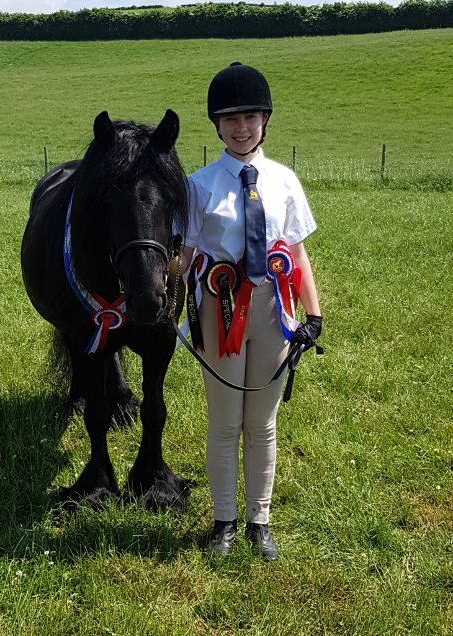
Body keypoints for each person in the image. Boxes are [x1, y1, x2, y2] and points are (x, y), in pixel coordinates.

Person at [173, 62, 322, 560]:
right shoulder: (199, 186)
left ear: (265, 120)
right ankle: (223, 523)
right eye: (230, 119)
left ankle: (260, 520)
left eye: (251, 117)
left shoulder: (284, 181)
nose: (241, 128)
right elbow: (187, 257)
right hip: (220, 312)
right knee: (225, 422)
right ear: (216, 124)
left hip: (273, 314)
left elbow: (296, 254)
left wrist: (312, 314)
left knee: (262, 423)